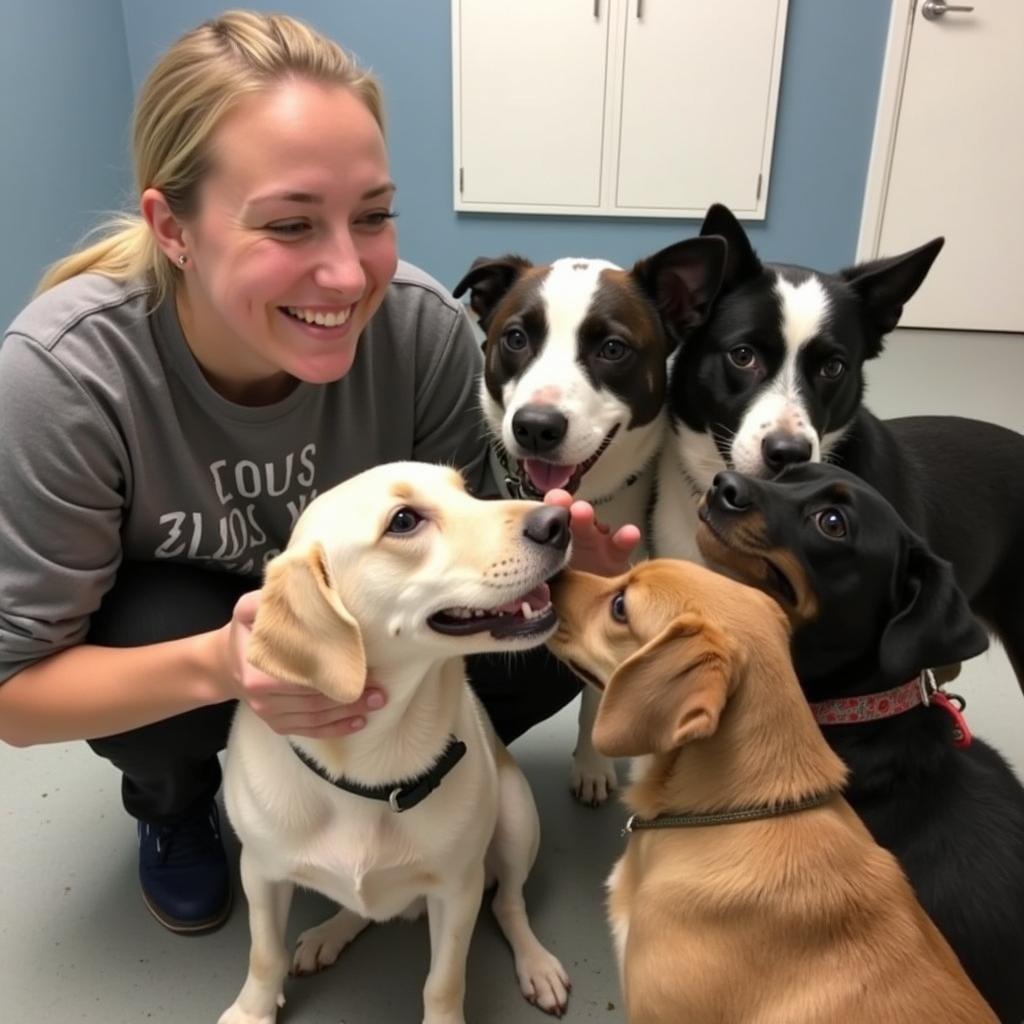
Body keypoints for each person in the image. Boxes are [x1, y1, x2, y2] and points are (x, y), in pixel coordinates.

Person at [0, 11, 638, 936]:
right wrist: (224, 663)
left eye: (373, 216)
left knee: (532, 618)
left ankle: (424, 801)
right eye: (291, 224)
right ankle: (176, 805)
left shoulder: (417, 328)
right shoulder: (65, 379)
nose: (347, 274)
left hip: (377, 640)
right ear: (171, 228)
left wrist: (586, 585)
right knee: (157, 631)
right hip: (198, 636)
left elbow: (476, 548)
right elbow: (16, 696)